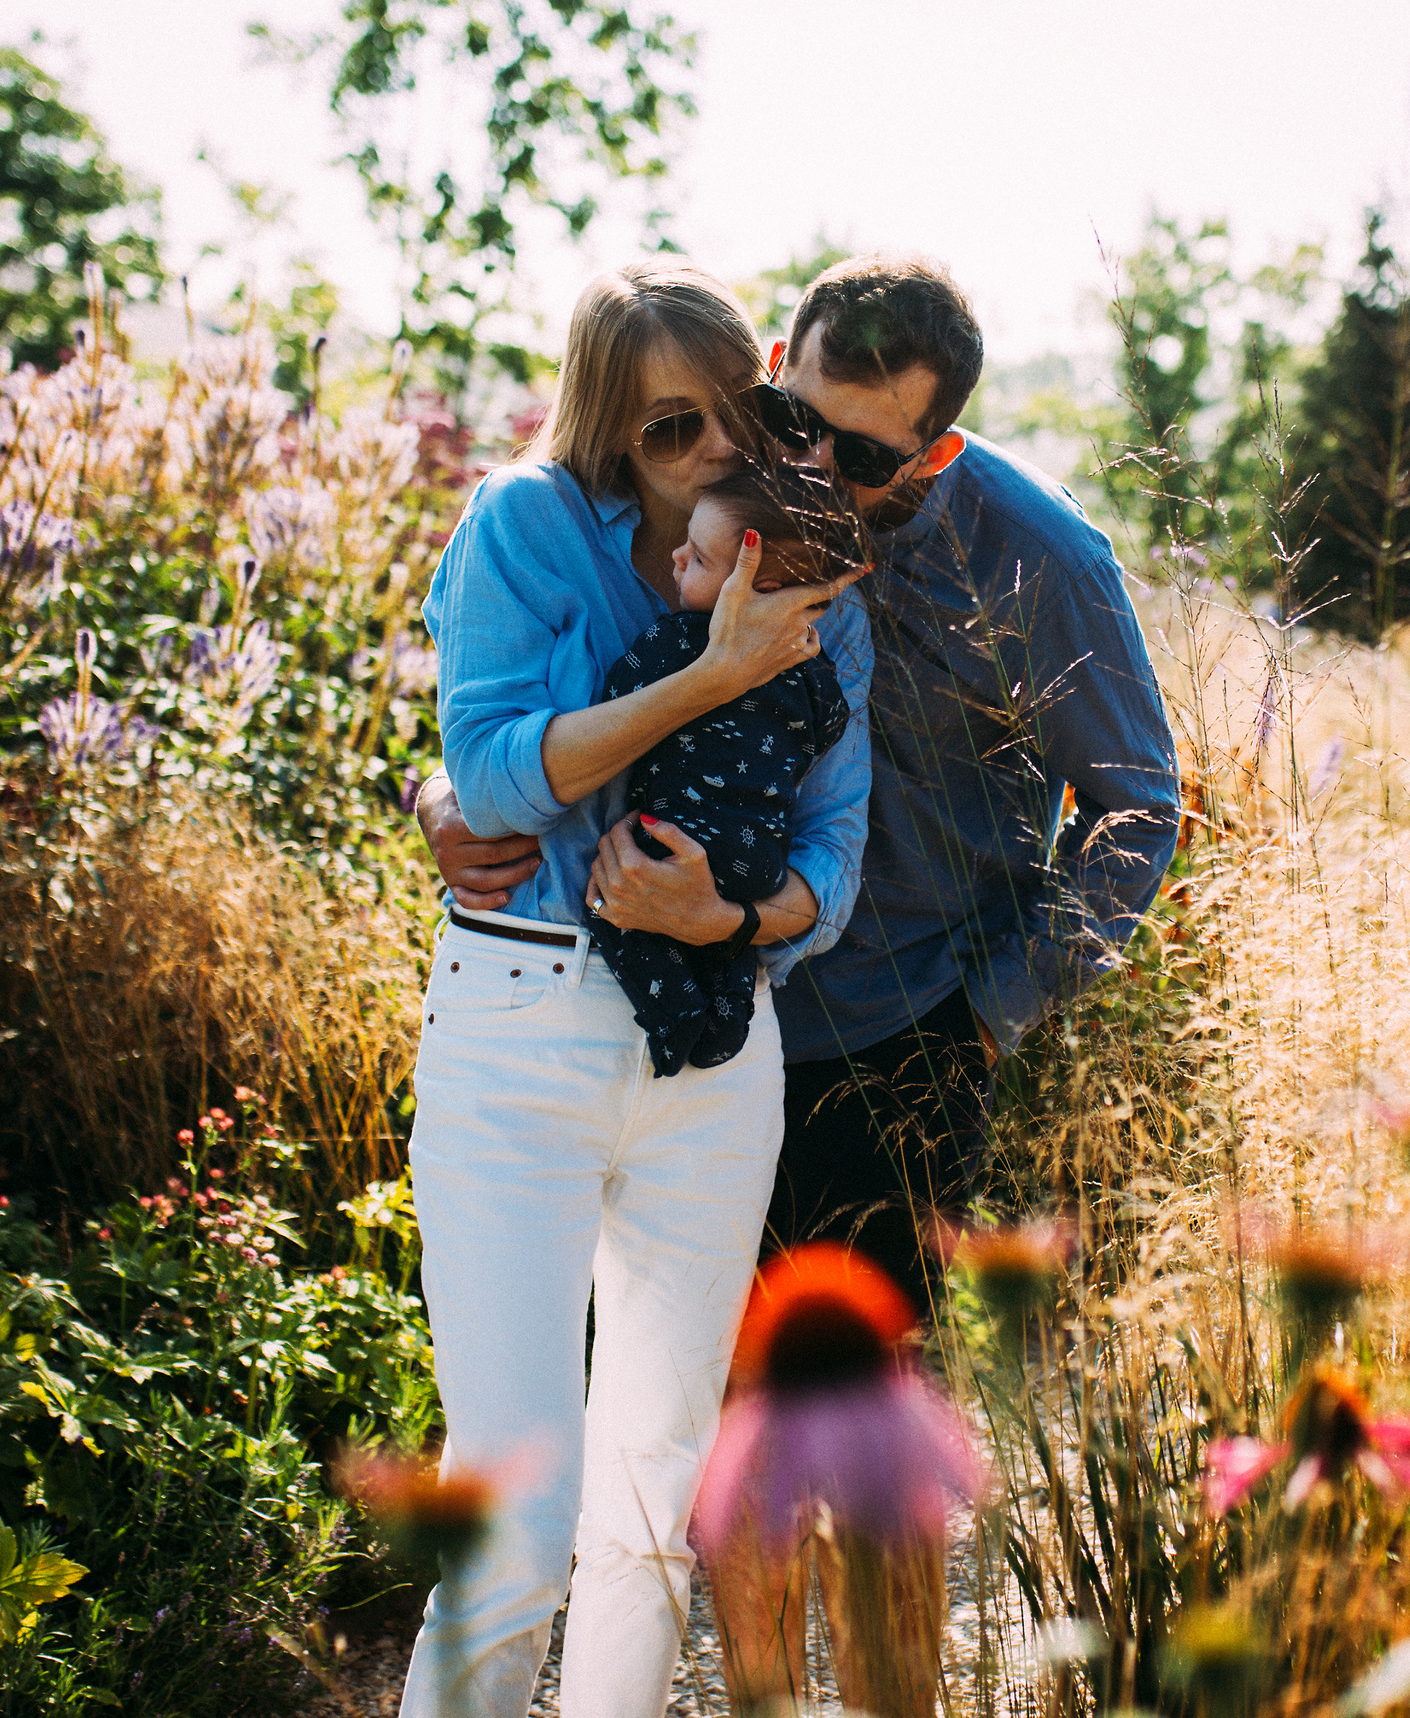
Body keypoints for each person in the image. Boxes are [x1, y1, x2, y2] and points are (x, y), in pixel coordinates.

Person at [422, 253, 1180, 1714]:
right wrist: (445, 798)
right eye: (797, 412)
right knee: (711, 1469)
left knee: (872, 1470)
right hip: (701, 1038)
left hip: (898, 1048)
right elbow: (522, 690)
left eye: (867, 451)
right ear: (776, 360)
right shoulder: (713, 474)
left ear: (938, 445)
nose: (814, 459)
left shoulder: (1039, 559)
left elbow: (1141, 808)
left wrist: (996, 1010)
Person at [401, 261, 870, 1718]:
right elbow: (485, 773)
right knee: (518, 1509)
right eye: (673, 430)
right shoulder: (528, 525)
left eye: (738, 411)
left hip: (716, 1052)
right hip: (523, 1027)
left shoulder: (807, 555)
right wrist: (707, 676)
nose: (718, 450)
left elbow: (835, 856)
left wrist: (729, 911)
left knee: (657, 1503)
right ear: (610, 436)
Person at [586, 463, 871, 1076]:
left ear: (755, 591)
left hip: (671, 839)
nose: (677, 557)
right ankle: (726, 1017)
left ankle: (675, 1020)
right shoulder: (809, 669)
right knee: (730, 946)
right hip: (760, 862)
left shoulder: (677, 643)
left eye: (701, 560)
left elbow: (617, 698)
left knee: (617, 910)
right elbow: (829, 728)